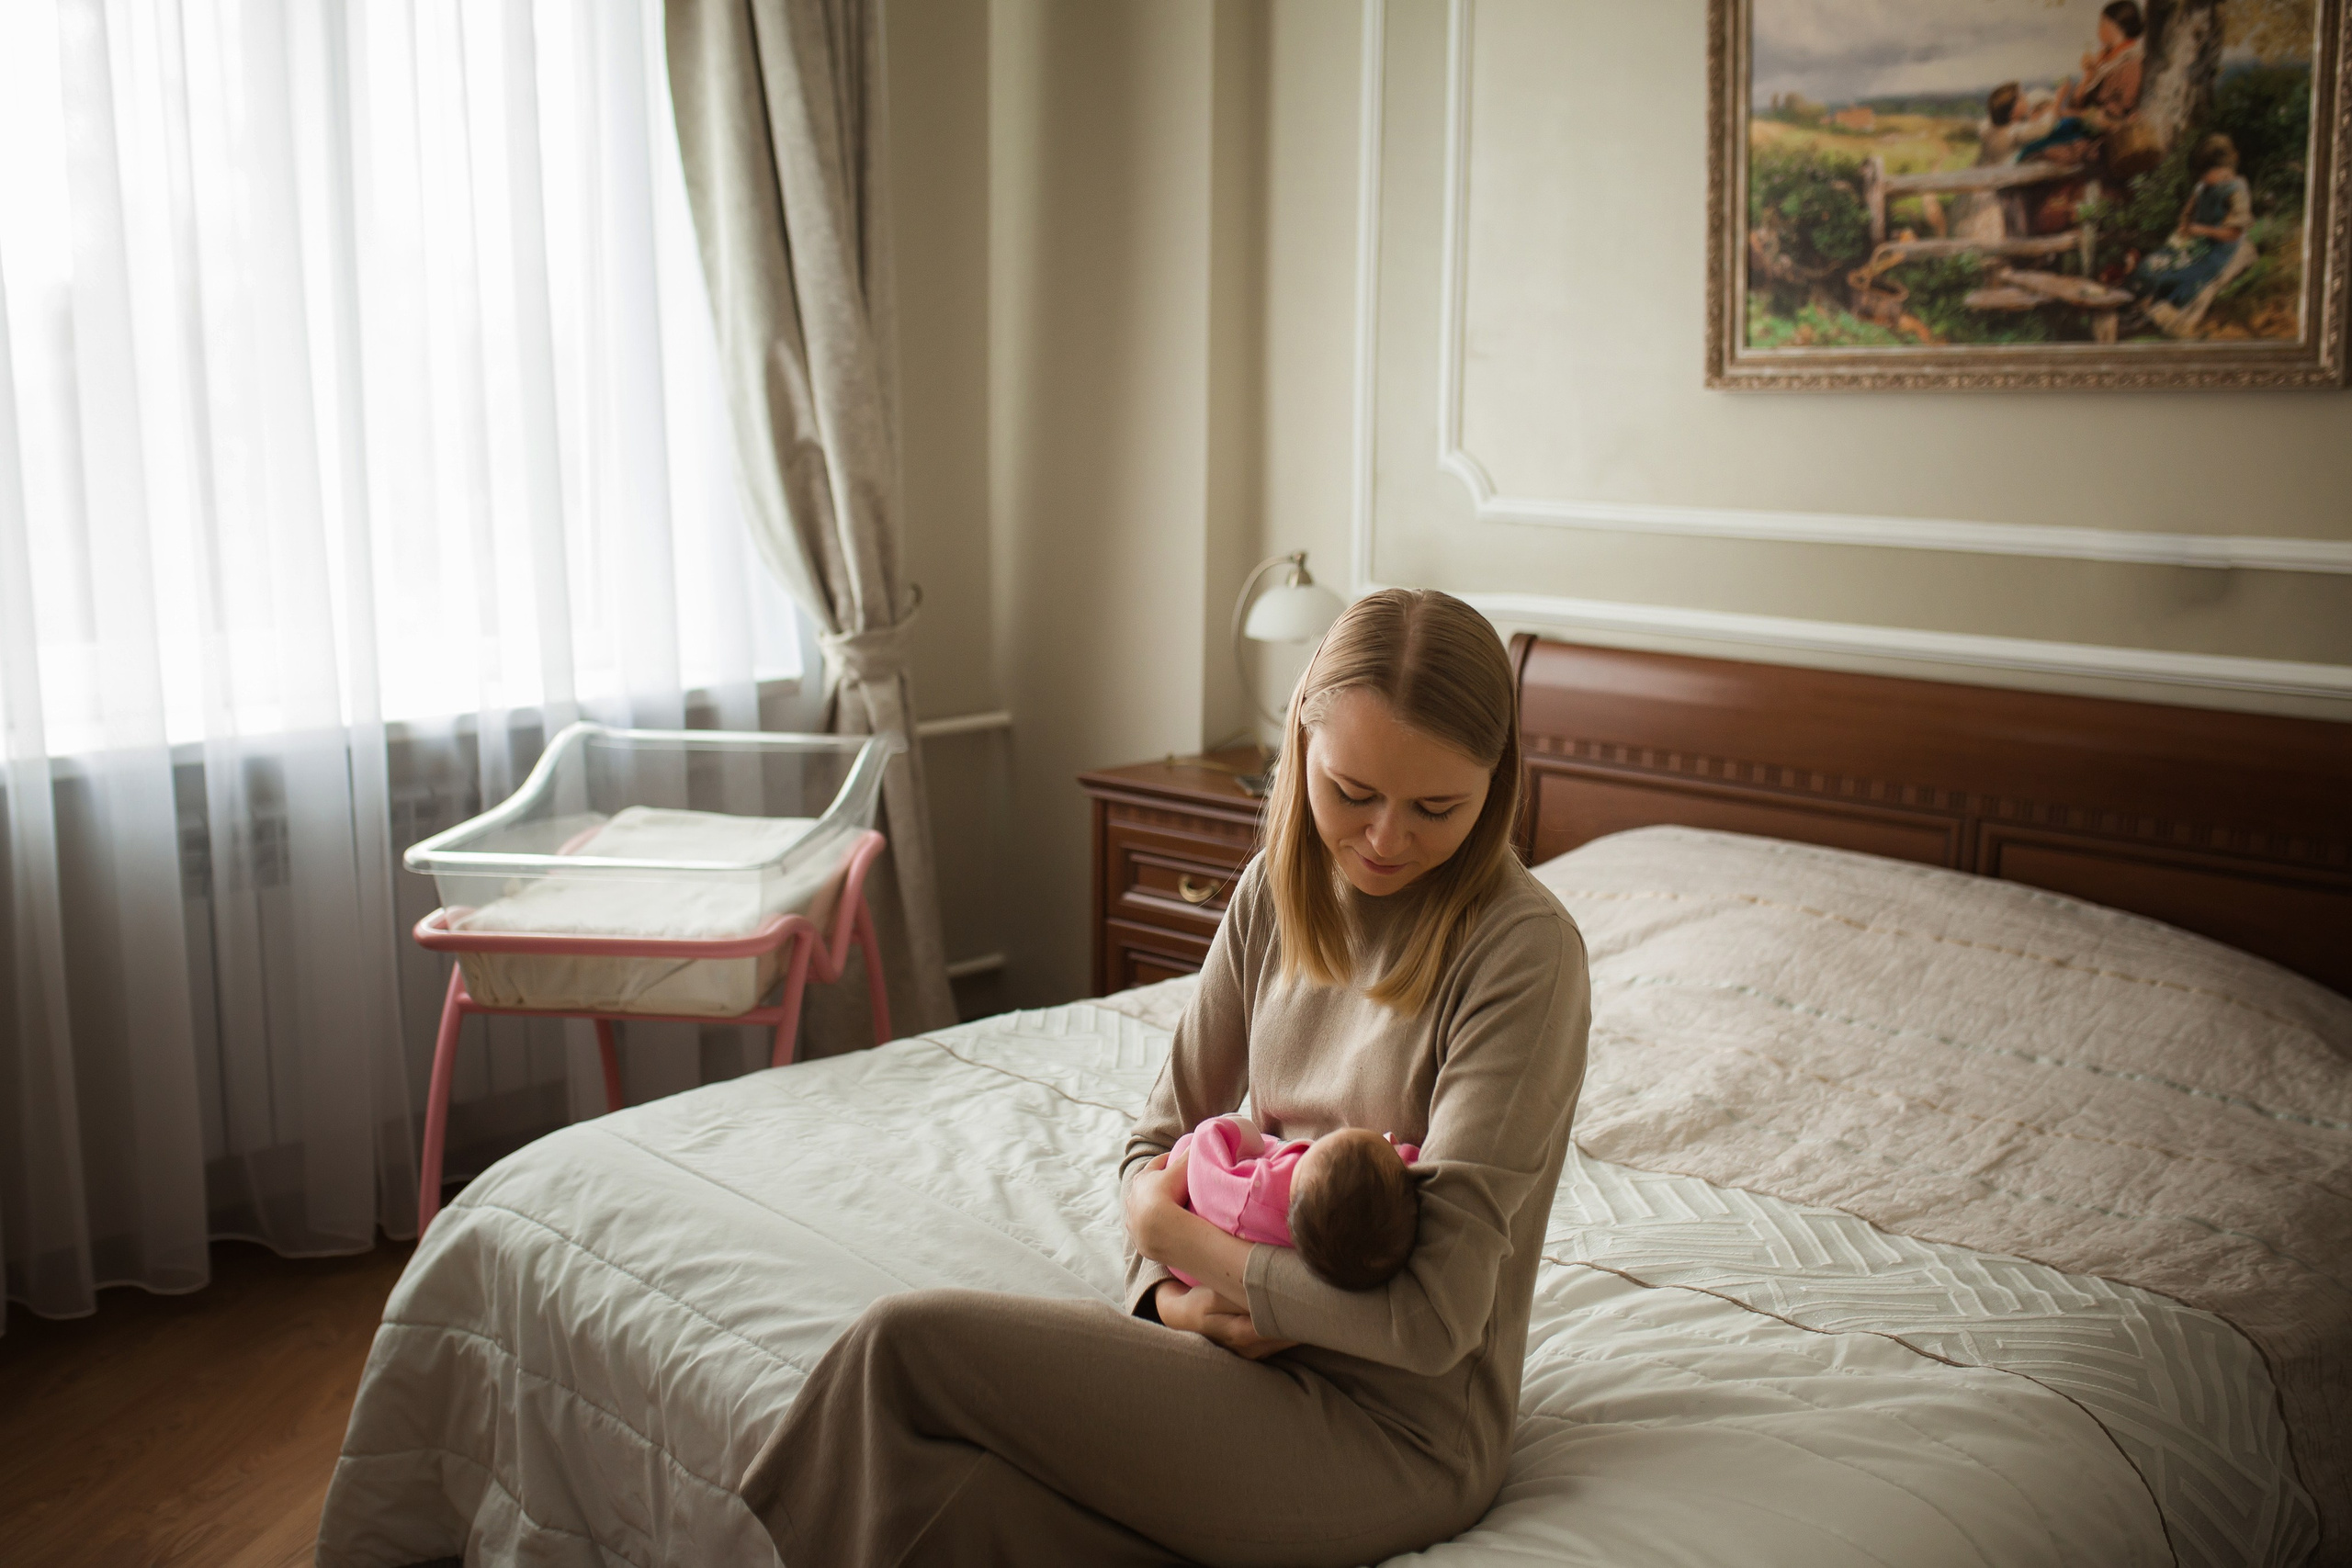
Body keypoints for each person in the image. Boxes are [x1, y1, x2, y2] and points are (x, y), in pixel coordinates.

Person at [738, 588, 1592, 1566]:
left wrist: (1172, 1234)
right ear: (1301, 745)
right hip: (1223, 1358)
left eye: (1435, 807)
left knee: (901, 1349)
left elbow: (1433, 1320)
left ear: (1496, 784)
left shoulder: (1524, 954)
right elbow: (1157, 1138)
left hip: (1394, 1431)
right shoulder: (1279, 892)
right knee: (946, 1505)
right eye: (1351, 791)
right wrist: (1169, 1297)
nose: (1384, 839)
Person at [1166, 1115, 1422, 1291]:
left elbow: (1207, 1153)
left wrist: (1243, 1132)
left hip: (1189, 1228)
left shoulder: (1262, 1191)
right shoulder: (1355, 1241)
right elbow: (1395, 1168)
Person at [2134, 133, 2257, 334]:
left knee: (2186, 276)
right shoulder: (2202, 188)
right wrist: (2184, 228)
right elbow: (2187, 215)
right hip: (2195, 244)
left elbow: (2234, 234)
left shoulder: (2236, 190)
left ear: (2221, 169)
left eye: (2205, 174)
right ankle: (2146, 306)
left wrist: (2202, 230)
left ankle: (2168, 315)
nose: (2202, 179)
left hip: (2220, 249)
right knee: (2153, 264)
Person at [2018, 2, 2146, 167]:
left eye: (2102, 24)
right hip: (2081, 130)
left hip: (2099, 141)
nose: (2099, 30)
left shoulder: (2130, 63)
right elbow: (2078, 103)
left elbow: (2114, 114)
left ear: (2114, 26)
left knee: (2036, 154)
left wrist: (2068, 113)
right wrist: (2087, 76)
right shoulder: (2104, 60)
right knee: (2028, 151)